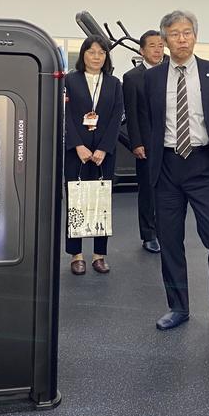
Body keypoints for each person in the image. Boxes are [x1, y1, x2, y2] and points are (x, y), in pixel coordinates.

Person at [142, 10, 209, 335]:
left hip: (203, 166)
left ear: (195, 36)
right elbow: (149, 120)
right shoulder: (153, 78)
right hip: (167, 167)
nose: (181, 39)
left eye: (186, 32)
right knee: (170, 240)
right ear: (165, 40)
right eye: (174, 34)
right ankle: (178, 307)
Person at [64, 35, 124, 275]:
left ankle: (99, 255)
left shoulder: (114, 83)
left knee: (101, 203)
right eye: (91, 52)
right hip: (75, 151)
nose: (96, 57)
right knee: (75, 203)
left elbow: (116, 117)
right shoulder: (70, 80)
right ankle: (76, 255)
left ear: (106, 56)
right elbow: (65, 114)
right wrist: (78, 145)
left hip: (103, 153)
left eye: (101, 52)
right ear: (83, 55)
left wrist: (103, 148)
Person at [123, 29, 165, 254]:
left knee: (168, 191)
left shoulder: (171, 72)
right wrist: (136, 143)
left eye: (160, 45)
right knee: (148, 191)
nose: (157, 50)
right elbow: (132, 114)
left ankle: (165, 231)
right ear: (141, 50)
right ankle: (149, 235)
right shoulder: (132, 77)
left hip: (171, 142)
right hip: (146, 144)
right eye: (152, 46)